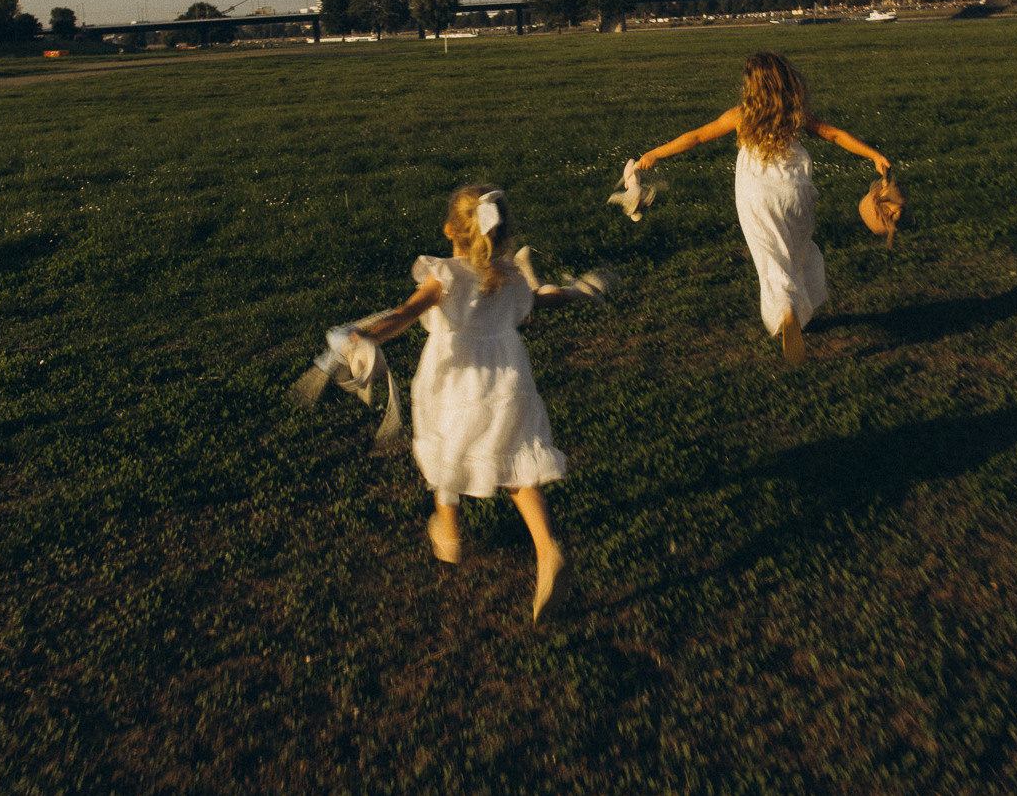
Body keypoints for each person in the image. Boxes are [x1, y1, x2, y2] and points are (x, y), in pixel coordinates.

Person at [356, 183, 583, 622]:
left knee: (447, 448)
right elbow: (534, 303)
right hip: (508, 376)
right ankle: (547, 547)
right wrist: (572, 292)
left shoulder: (445, 275)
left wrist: (369, 334)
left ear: (449, 231)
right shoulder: (513, 278)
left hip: (454, 379)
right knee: (517, 460)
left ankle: (450, 532)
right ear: (502, 233)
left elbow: (405, 313)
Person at [635, 51, 890, 364]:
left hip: (758, 195)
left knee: (771, 258)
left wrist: (656, 154)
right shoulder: (795, 114)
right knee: (797, 251)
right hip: (794, 191)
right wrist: (873, 155)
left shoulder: (741, 115)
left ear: (750, 86)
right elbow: (835, 134)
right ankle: (798, 310)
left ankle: (786, 309)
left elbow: (698, 136)